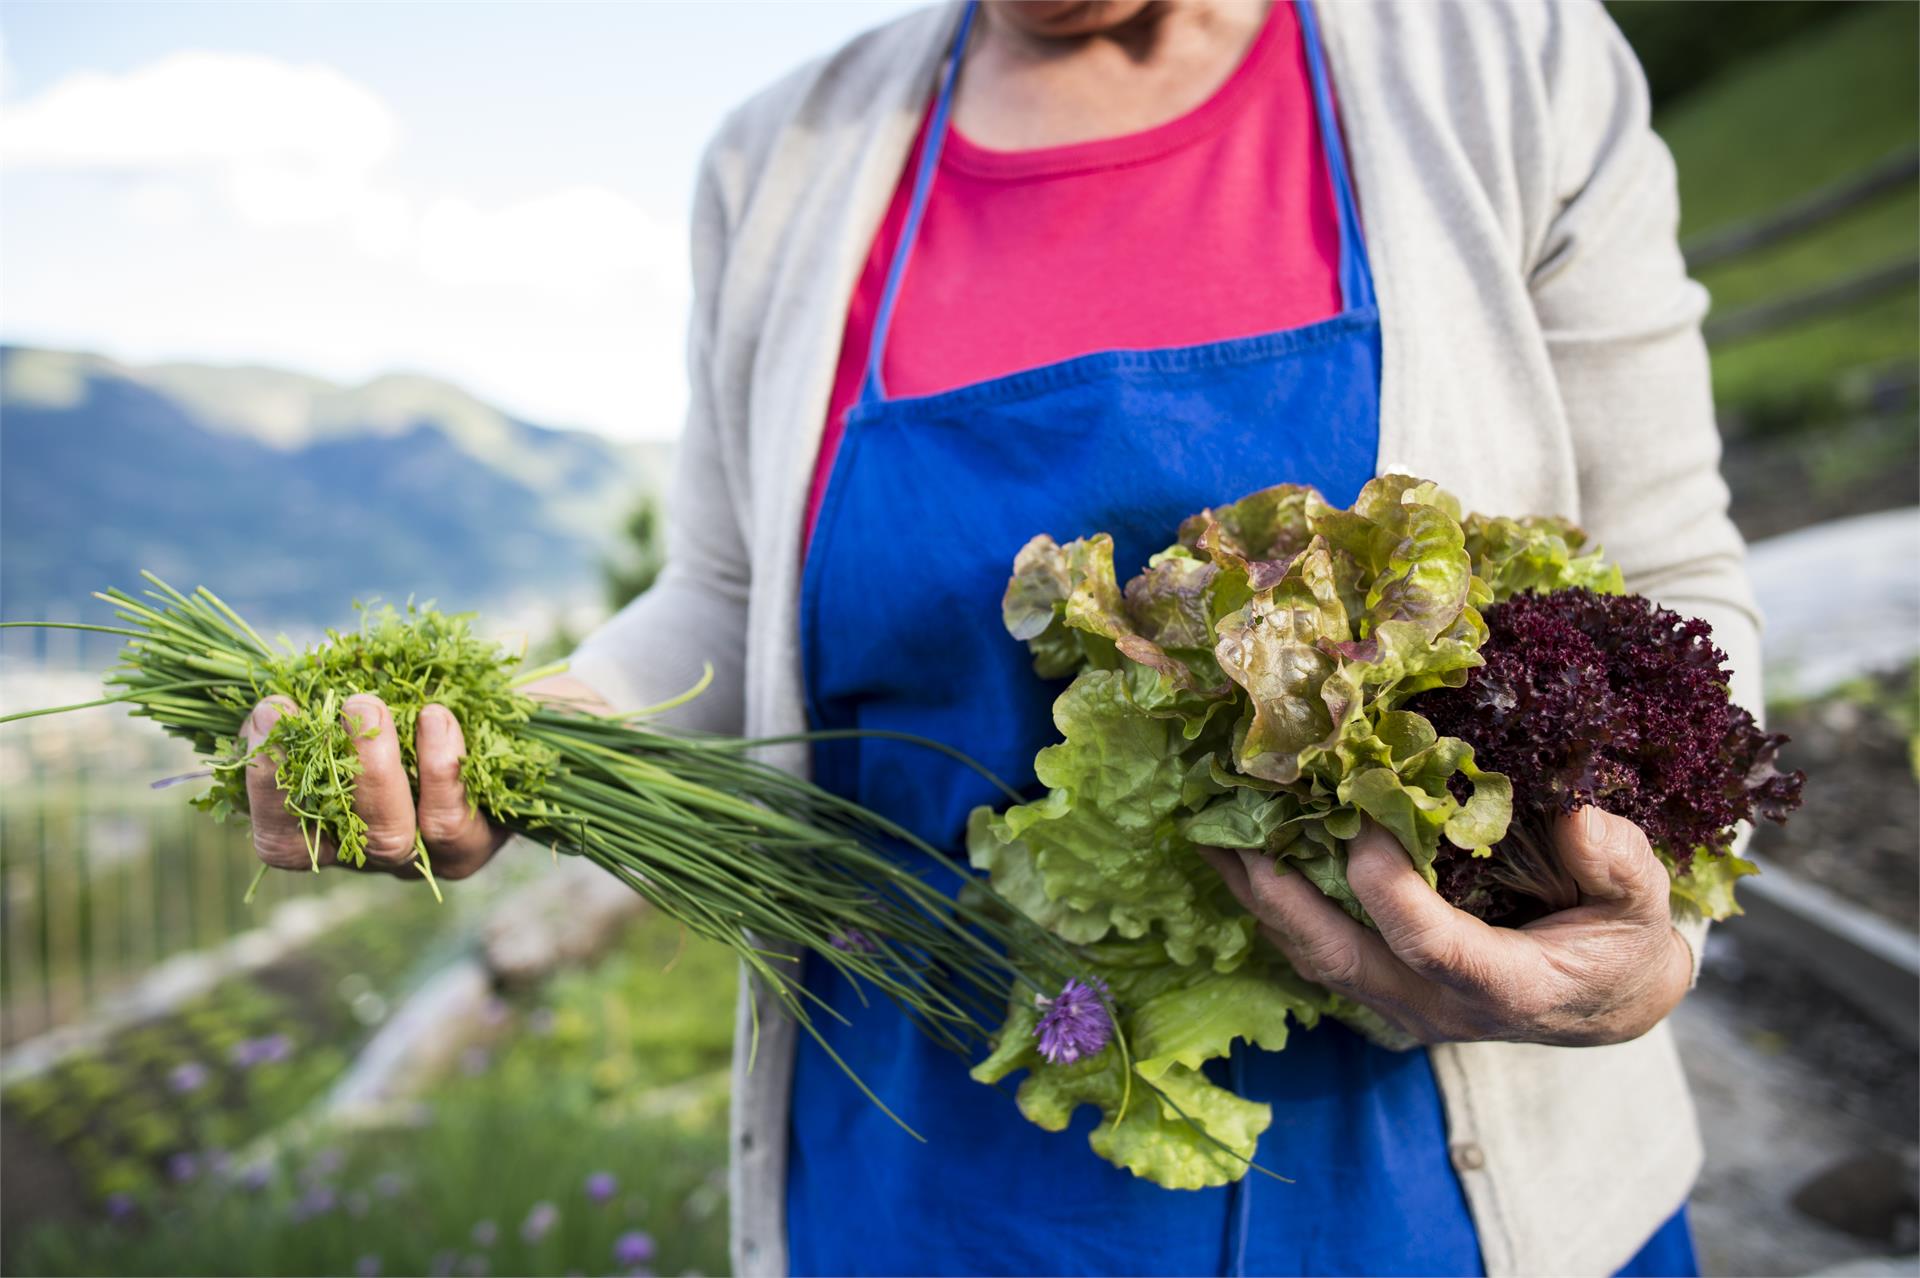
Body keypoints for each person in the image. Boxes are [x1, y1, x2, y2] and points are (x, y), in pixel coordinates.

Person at [243, 2, 1760, 1274]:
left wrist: (1653, 934)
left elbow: (1670, 571)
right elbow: (721, 593)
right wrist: (512, 740)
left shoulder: (1502, 63)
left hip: (1436, 1195)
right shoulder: (785, 161)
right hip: (922, 1164)